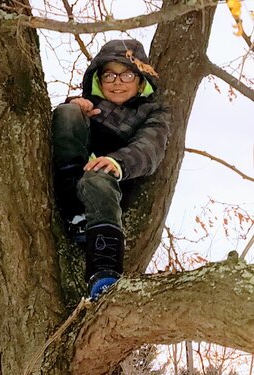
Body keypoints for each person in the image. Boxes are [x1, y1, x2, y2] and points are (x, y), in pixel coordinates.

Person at [51, 39, 170, 300]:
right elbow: (63, 133)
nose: (117, 81)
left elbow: (150, 147)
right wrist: (74, 106)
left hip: (113, 183)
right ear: (98, 79)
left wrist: (117, 162)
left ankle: (105, 273)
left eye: (127, 74)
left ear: (140, 81)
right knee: (67, 113)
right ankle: (75, 215)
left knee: (98, 179)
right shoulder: (87, 105)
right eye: (109, 75)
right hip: (74, 181)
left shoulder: (152, 113)